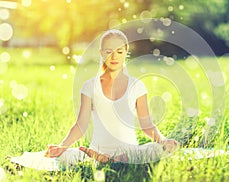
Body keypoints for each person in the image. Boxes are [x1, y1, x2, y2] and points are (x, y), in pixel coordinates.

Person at [44, 29, 179, 164]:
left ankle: (114, 160)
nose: (114, 57)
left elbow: (147, 125)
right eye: (109, 52)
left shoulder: (136, 86)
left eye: (119, 52)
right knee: (62, 156)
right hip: (96, 151)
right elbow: (81, 124)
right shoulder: (90, 86)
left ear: (126, 52)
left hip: (130, 152)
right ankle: (104, 158)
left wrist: (163, 140)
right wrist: (62, 146)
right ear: (101, 53)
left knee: (159, 149)